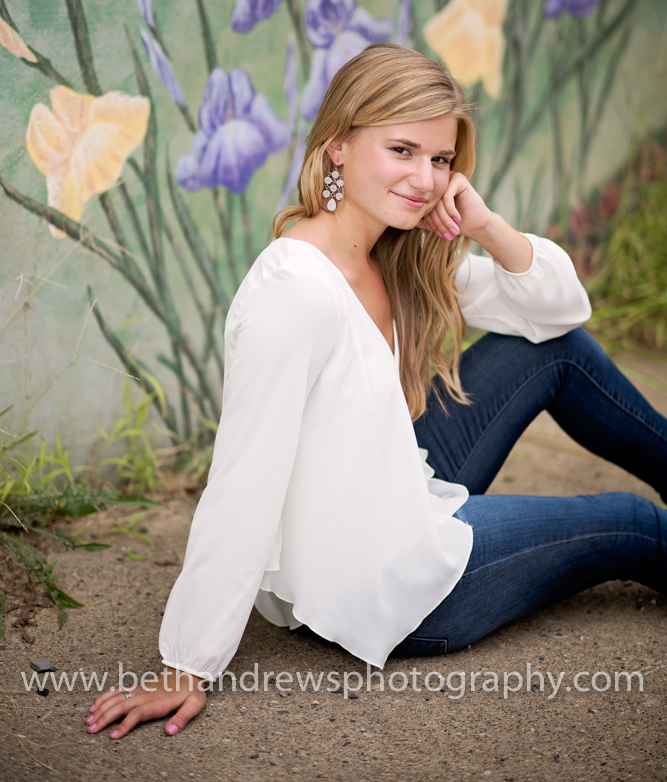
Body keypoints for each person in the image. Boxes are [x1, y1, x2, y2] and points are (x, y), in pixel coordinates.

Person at [85, 43, 667, 740]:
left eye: (440, 159)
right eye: (401, 150)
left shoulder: (388, 253)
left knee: (556, 353)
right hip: (388, 581)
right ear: (336, 146)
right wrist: (188, 664)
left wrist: (481, 224)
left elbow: (558, 312)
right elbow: (244, 479)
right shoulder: (295, 293)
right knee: (631, 526)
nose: (424, 179)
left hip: (396, 493)